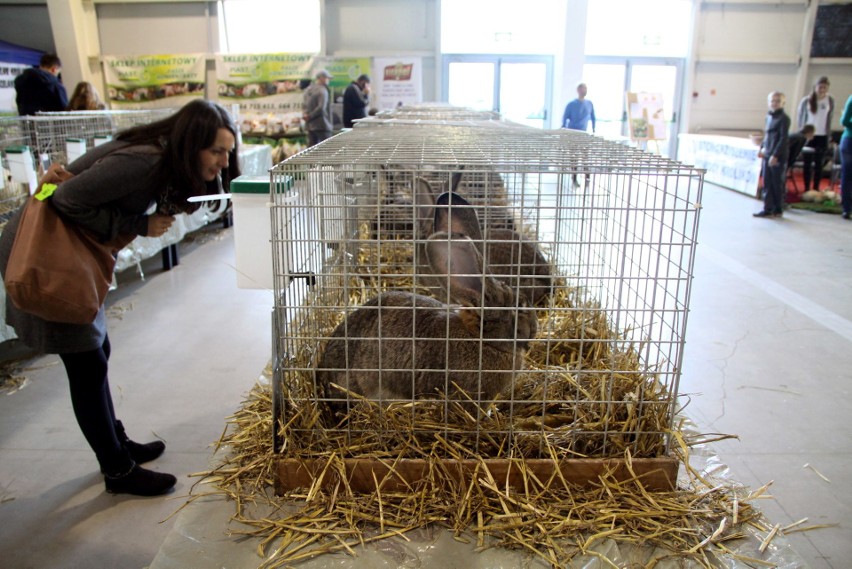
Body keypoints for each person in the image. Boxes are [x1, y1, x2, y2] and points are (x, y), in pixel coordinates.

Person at [0, 99, 241, 496]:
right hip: (43, 257)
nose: (222, 160)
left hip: (69, 255)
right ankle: (117, 470)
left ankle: (117, 442)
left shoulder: (159, 158)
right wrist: (139, 224)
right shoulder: (145, 160)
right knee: (87, 365)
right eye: (216, 150)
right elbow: (65, 200)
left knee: (98, 351)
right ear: (190, 143)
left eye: (227, 151)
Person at [754, 91, 790, 218]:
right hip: (767, 154)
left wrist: (775, 155)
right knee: (767, 182)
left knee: (777, 183)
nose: (774, 103)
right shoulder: (768, 117)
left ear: (782, 103)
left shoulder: (784, 119)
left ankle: (778, 208)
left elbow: (783, 138)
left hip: (777, 156)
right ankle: (768, 207)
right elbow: (767, 135)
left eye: (777, 101)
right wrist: (762, 148)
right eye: (772, 101)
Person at [796, 77, 835, 192]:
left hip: (822, 136)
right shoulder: (806, 100)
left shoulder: (830, 100)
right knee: (807, 163)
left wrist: (829, 136)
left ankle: (816, 188)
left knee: (819, 163)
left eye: (825, 87)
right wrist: (803, 133)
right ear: (815, 87)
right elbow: (800, 118)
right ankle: (807, 188)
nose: (822, 89)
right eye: (820, 87)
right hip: (809, 136)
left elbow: (829, 118)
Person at [562, 82, 596, 188]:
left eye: (585, 88)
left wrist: (594, 129)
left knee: (586, 157)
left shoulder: (589, 103)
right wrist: (564, 129)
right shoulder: (571, 104)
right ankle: (574, 179)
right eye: (582, 89)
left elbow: (593, 117)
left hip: (584, 135)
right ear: (578, 90)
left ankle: (587, 179)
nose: (584, 91)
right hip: (573, 134)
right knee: (574, 158)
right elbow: (565, 118)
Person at [302, 69, 333, 146]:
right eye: (327, 78)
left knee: (312, 151)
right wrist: (311, 116)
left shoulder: (307, 90)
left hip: (310, 126)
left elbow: (304, 105)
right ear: (321, 78)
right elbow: (321, 108)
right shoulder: (323, 90)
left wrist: (306, 116)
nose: (328, 80)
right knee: (327, 150)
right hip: (322, 125)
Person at [840, 94, 852, 220]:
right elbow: (844, 121)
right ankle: (847, 208)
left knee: (847, 176)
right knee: (847, 175)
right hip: (849, 141)